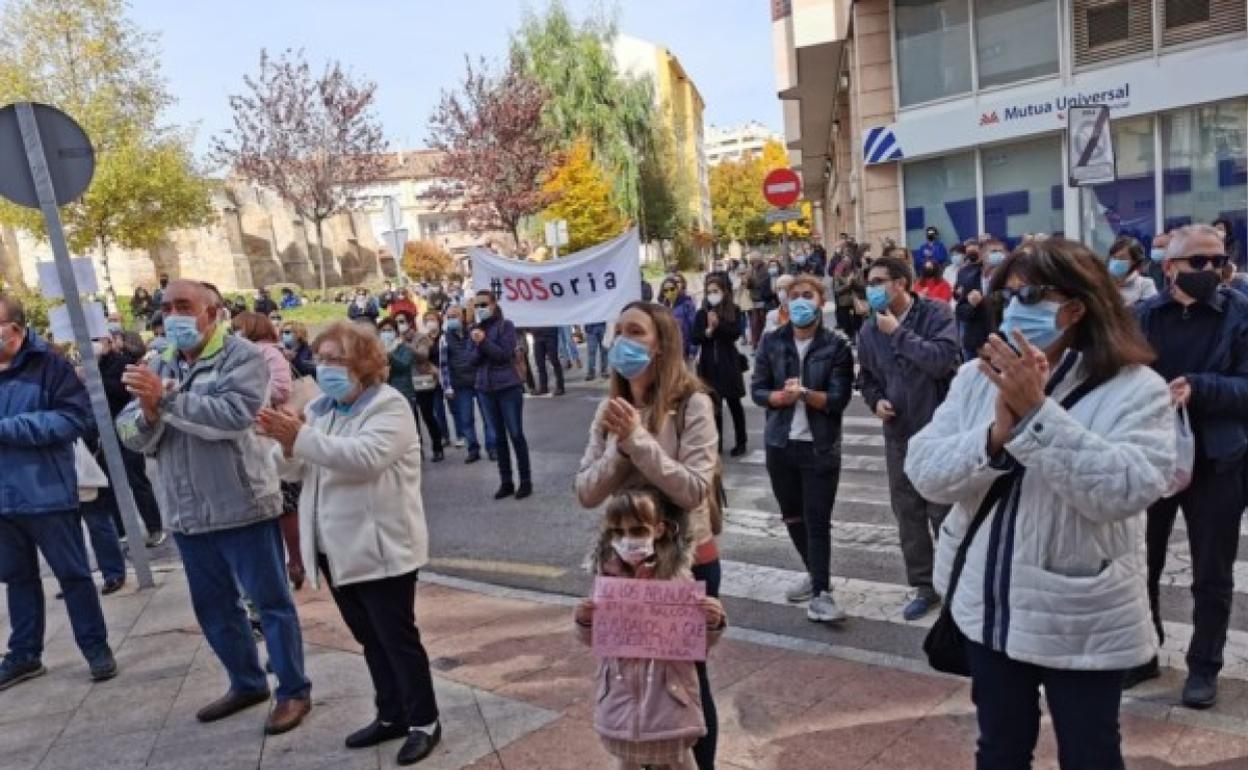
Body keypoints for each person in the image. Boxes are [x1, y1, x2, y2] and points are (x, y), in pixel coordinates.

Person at [905, 238, 1174, 769]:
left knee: (1091, 752)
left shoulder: (1136, 389)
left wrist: (1035, 415)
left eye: (1030, 293)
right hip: (991, 607)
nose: (1014, 306)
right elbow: (924, 472)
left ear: (1076, 307)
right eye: (1006, 295)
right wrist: (991, 439)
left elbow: (1127, 489)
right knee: (1000, 749)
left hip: (1079, 612)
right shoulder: (975, 378)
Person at [116, 279, 311, 734]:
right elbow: (130, 433)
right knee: (214, 607)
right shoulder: (158, 360)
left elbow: (233, 417)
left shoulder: (243, 357)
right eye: (166, 308)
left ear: (213, 312)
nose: (173, 316)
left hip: (241, 505)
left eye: (184, 306)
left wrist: (163, 400)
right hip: (185, 513)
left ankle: (293, 689)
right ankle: (246, 682)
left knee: (270, 605)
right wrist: (147, 413)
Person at [258, 322, 442, 766]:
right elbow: (297, 471)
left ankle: (424, 721)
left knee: (396, 638)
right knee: (369, 637)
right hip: (335, 548)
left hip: (380, 548)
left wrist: (299, 437)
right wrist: (286, 447)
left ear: (363, 362)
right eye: (319, 359)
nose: (325, 369)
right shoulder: (323, 409)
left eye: (336, 359)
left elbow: (364, 459)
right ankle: (391, 714)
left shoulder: (388, 406)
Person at [576, 301, 722, 770]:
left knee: (685, 680)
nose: (622, 339)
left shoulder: (691, 404)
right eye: (618, 330)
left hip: (684, 560)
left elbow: (695, 487)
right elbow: (586, 491)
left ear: (661, 345)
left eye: (635, 331)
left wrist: (638, 440)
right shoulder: (609, 409)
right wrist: (622, 448)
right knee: (628, 675)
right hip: (623, 561)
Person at [1128, 224, 1248, 708]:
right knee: (1142, 564)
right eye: (1197, 262)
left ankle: (1204, 668)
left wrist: (1201, 387)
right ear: (1169, 266)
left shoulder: (1240, 314)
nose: (1210, 270)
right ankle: (1143, 651)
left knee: (1212, 575)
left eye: (1217, 260)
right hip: (1153, 459)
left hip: (1219, 463)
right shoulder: (1143, 316)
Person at [0, 294, 117, 691]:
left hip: (45, 491)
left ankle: (96, 648)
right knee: (17, 579)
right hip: (3, 501)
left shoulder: (49, 365)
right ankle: (24, 654)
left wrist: (8, 428)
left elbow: (74, 419)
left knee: (73, 575)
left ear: (14, 330)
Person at [574, 490, 726, 770]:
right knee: (626, 759)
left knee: (680, 760)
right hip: (621, 693)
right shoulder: (607, 577)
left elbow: (697, 644)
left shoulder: (677, 577)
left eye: (637, 530)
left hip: (669, 695)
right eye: (618, 532)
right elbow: (595, 640)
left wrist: (712, 621)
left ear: (658, 530)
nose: (627, 539)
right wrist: (585, 620)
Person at [855, 257, 959, 620]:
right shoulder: (868, 330)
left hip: (940, 432)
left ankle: (955, 586)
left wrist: (897, 333)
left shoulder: (936, 313)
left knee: (944, 512)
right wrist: (875, 401)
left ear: (901, 283)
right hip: (898, 434)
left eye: (879, 281)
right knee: (908, 513)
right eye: (869, 283)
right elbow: (866, 376)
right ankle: (924, 585)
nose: (872, 289)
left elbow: (942, 361)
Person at [751, 276, 855, 621]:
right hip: (780, 443)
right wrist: (777, 398)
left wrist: (806, 394)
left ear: (820, 300)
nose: (799, 301)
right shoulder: (771, 342)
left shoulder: (835, 346)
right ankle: (815, 575)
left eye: (807, 295)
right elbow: (758, 389)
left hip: (819, 447)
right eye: (793, 296)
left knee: (817, 519)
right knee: (792, 515)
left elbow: (838, 399)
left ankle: (822, 594)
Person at [232, 312, 303, 587]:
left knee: (285, 500)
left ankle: (295, 560)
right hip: (253, 434)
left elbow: (282, 390)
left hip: (273, 432)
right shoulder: (237, 356)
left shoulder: (268, 353)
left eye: (239, 329)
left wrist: (252, 389)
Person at [95, 331, 167, 546]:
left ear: (109, 341)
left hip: (127, 427)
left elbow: (125, 392)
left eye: (98, 340)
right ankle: (121, 530)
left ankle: (155, 527)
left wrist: (96, 380)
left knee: (136, 479)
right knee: (107, 483)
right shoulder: (92, 366)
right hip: (104, 431)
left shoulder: (122, 363)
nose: (95, 346)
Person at [471, 290, 533, 499]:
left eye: (484, 304)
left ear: (494, 304)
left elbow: (503, 355)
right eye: (477, 305)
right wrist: (478, 343)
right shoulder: (475, 329)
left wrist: (483, 342)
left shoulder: (506, 326)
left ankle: (525, 481)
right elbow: (471, 360)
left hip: (507, 387)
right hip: (485, 389)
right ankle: (506, 481)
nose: (480, 308)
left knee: (515, 434)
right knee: (498, 437)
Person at [693, 275, 748, 457]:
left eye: (715, 291)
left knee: (734, 404)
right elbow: (695, 337)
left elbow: (735, 333)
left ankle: (741, 441)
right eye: (709, 292)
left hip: (728, 363)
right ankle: (717, 442)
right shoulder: (701, 312)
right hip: (709, 365)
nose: (712, 295)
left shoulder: (734, 310)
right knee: (714, 406)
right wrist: (707, 332)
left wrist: (718, 325)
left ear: (724, 292)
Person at [379, 317, 444, 463]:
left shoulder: (404, 345)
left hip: (415, 385)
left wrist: (391, 354)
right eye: (383, 331)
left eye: (389, 330)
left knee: (425, 416)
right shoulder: (378, 348)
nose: (386, 333)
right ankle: (409, 453)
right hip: (390, 390)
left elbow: (405, 364)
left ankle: (435, 447)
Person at [440, 304, 497, 463]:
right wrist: (447, 386)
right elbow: (443, 364)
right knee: (466, 419)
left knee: (488, 417)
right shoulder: (444, 338)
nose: (452, 319)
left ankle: (492, 448)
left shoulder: (474, 332)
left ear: (463, 316)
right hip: (460, 384)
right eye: (449, 317)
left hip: (479, 381)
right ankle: (473, 449)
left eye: (455, 316)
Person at [422, 311, 454, 447]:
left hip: (447, 376)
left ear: (439, 321)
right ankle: (444, 436)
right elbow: (421, 359)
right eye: (427, 320)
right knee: (438, 410)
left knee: (455, 408)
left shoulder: (445, 336)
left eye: (433, 319)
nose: (430, 322)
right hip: (432, 378)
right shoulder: (423, 339)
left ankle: (461, 434)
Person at [954, 240, 989, 361]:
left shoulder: (1004, 274)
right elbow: (961, 305)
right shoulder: (965, 273)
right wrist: (971, 303)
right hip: (973, 329)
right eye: (968, 251)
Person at [1107, 235, 1159, 306]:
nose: (1116, 261)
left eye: (1121, 258)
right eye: (1114, 257)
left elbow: (1150, 310)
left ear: (1134, 260)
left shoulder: (1145, 284)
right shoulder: (1104, 284)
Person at [659, 277, 698, 363]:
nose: (669, 292)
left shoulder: (687, 305)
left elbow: (694, 328)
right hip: (670, 353)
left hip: (686, 352)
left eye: (672, 289)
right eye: (666, 290)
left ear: (677, 289)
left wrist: (693, 350)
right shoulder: (663, 308)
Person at [530, 326, 565, 396]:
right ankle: (543, 387)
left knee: (554, 361)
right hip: (537, 335)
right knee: (540, 363)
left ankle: (560, 387)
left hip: (550, 334)